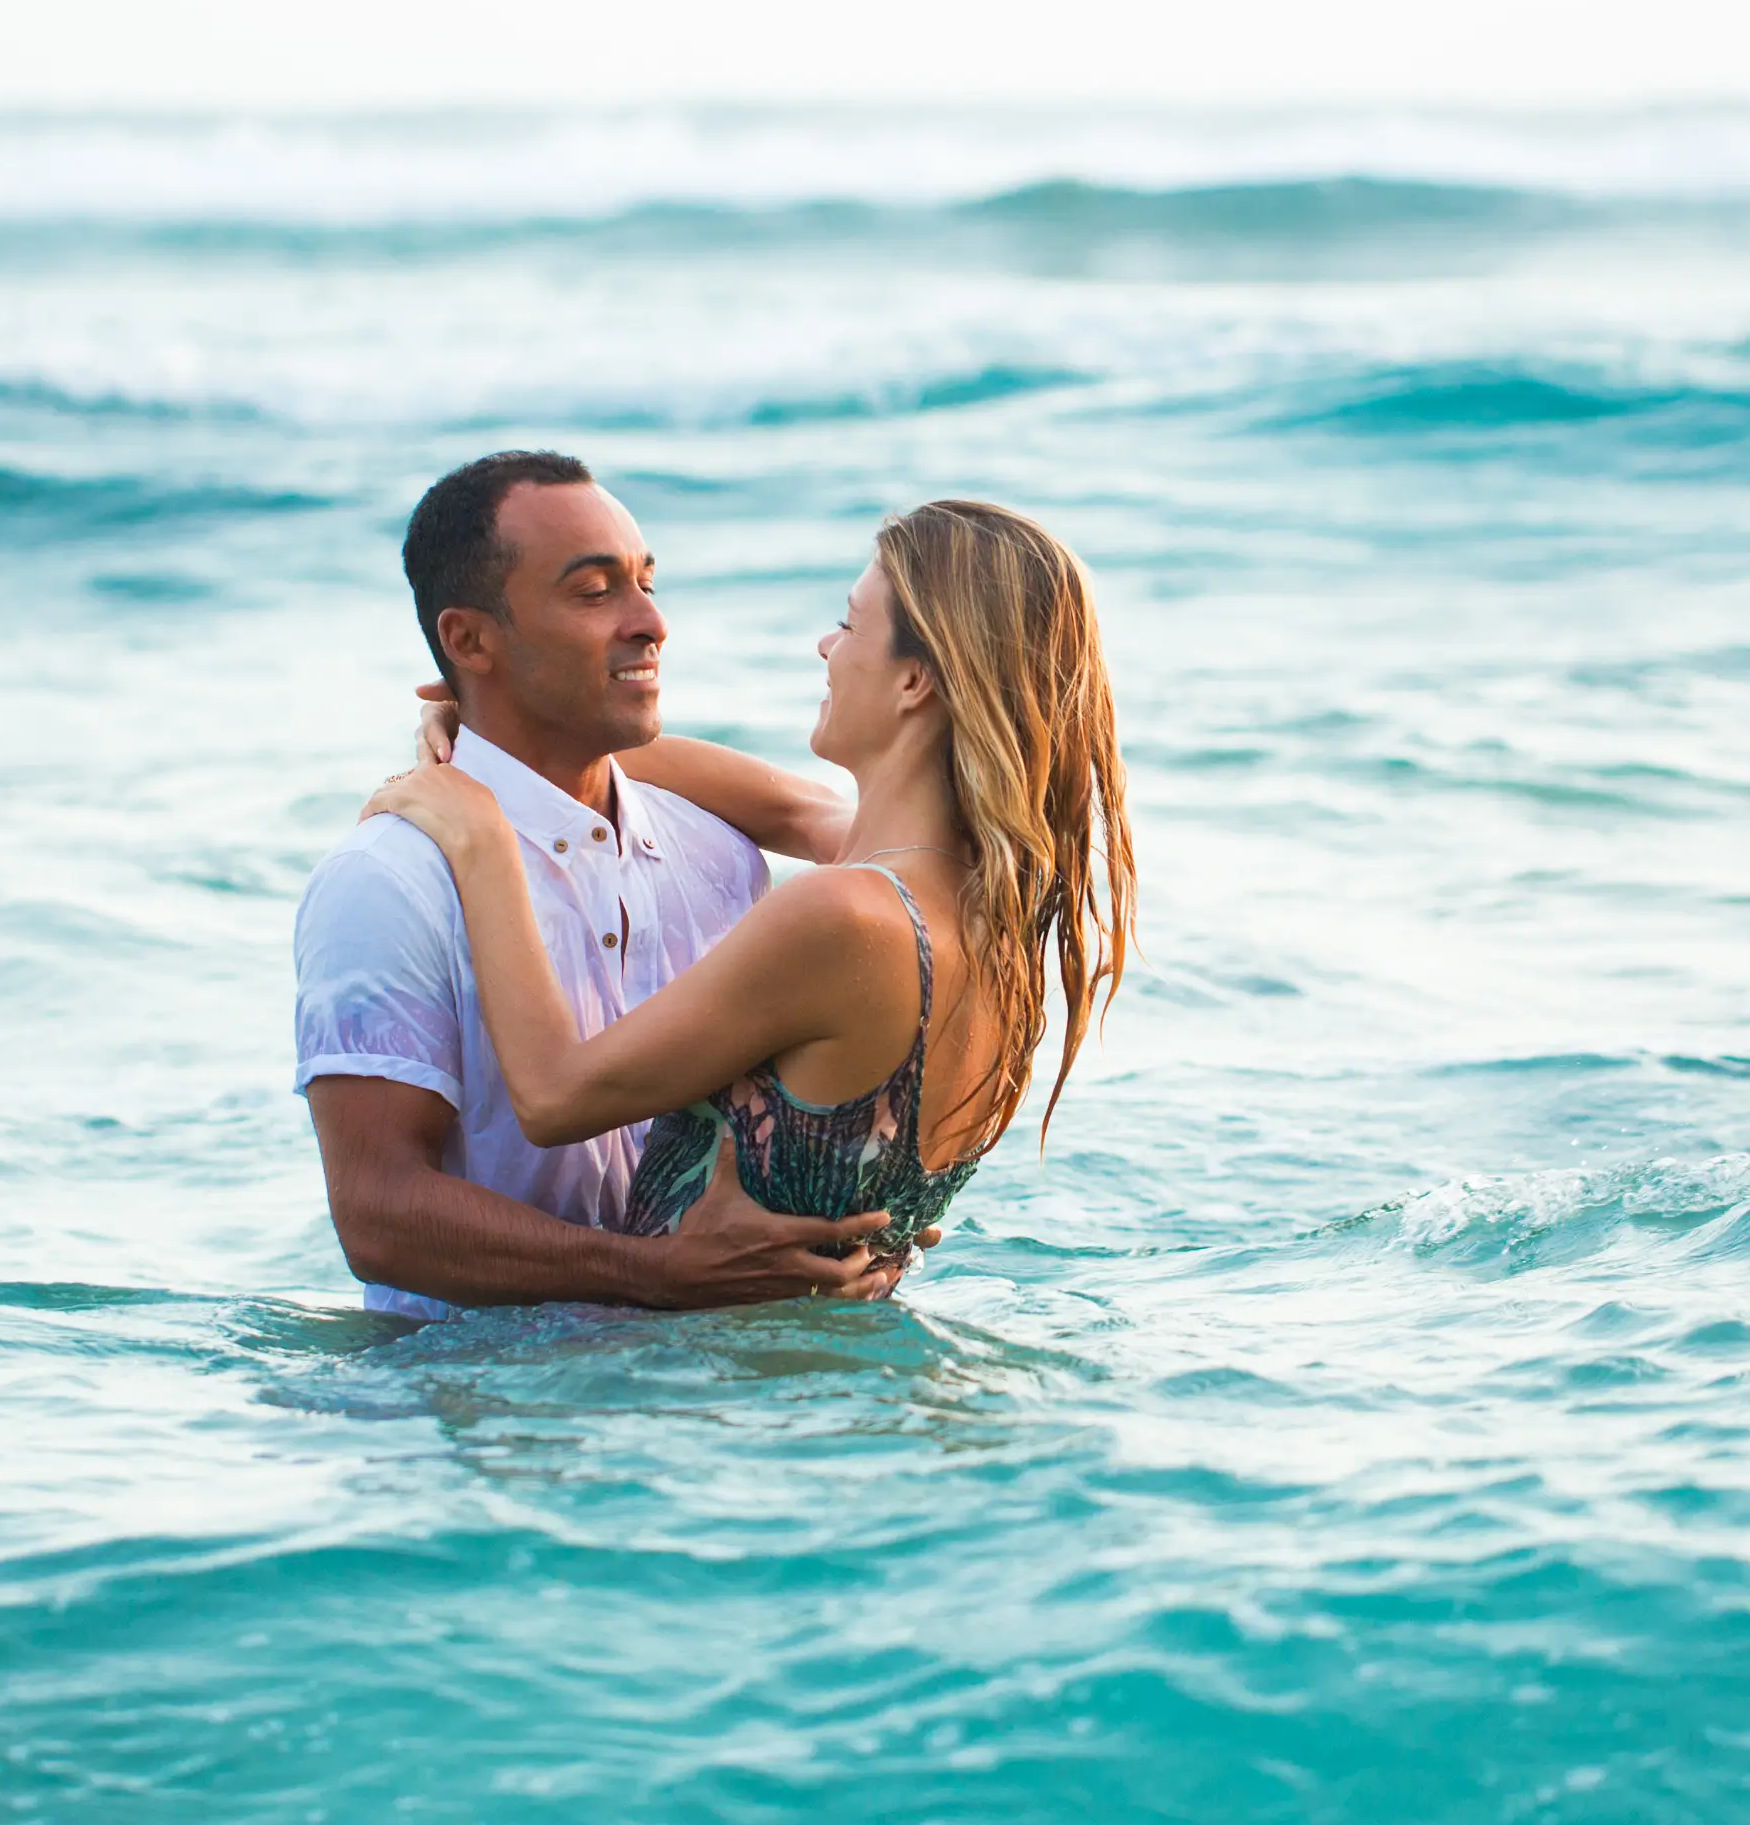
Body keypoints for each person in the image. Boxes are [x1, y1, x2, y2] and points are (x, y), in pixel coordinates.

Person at [360, 495, 1133, 1280]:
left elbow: (554, 1096)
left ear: (915, 682)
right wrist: (496, 727)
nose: (826, 644)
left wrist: (482, 835)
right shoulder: (985, 907)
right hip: (833, 1387)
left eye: (851, 623)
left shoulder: (844, 916)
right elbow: (790, 806)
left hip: (705, 1387)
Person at [294, 452, 912, 1315]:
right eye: (595, 592)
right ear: (471, 639)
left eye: (647, 582)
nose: (652, 621)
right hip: (474, 1406)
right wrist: (645, 1273)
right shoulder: (388, 881)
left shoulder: (721, 855)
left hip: (691, 1394)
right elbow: (377, 1214)